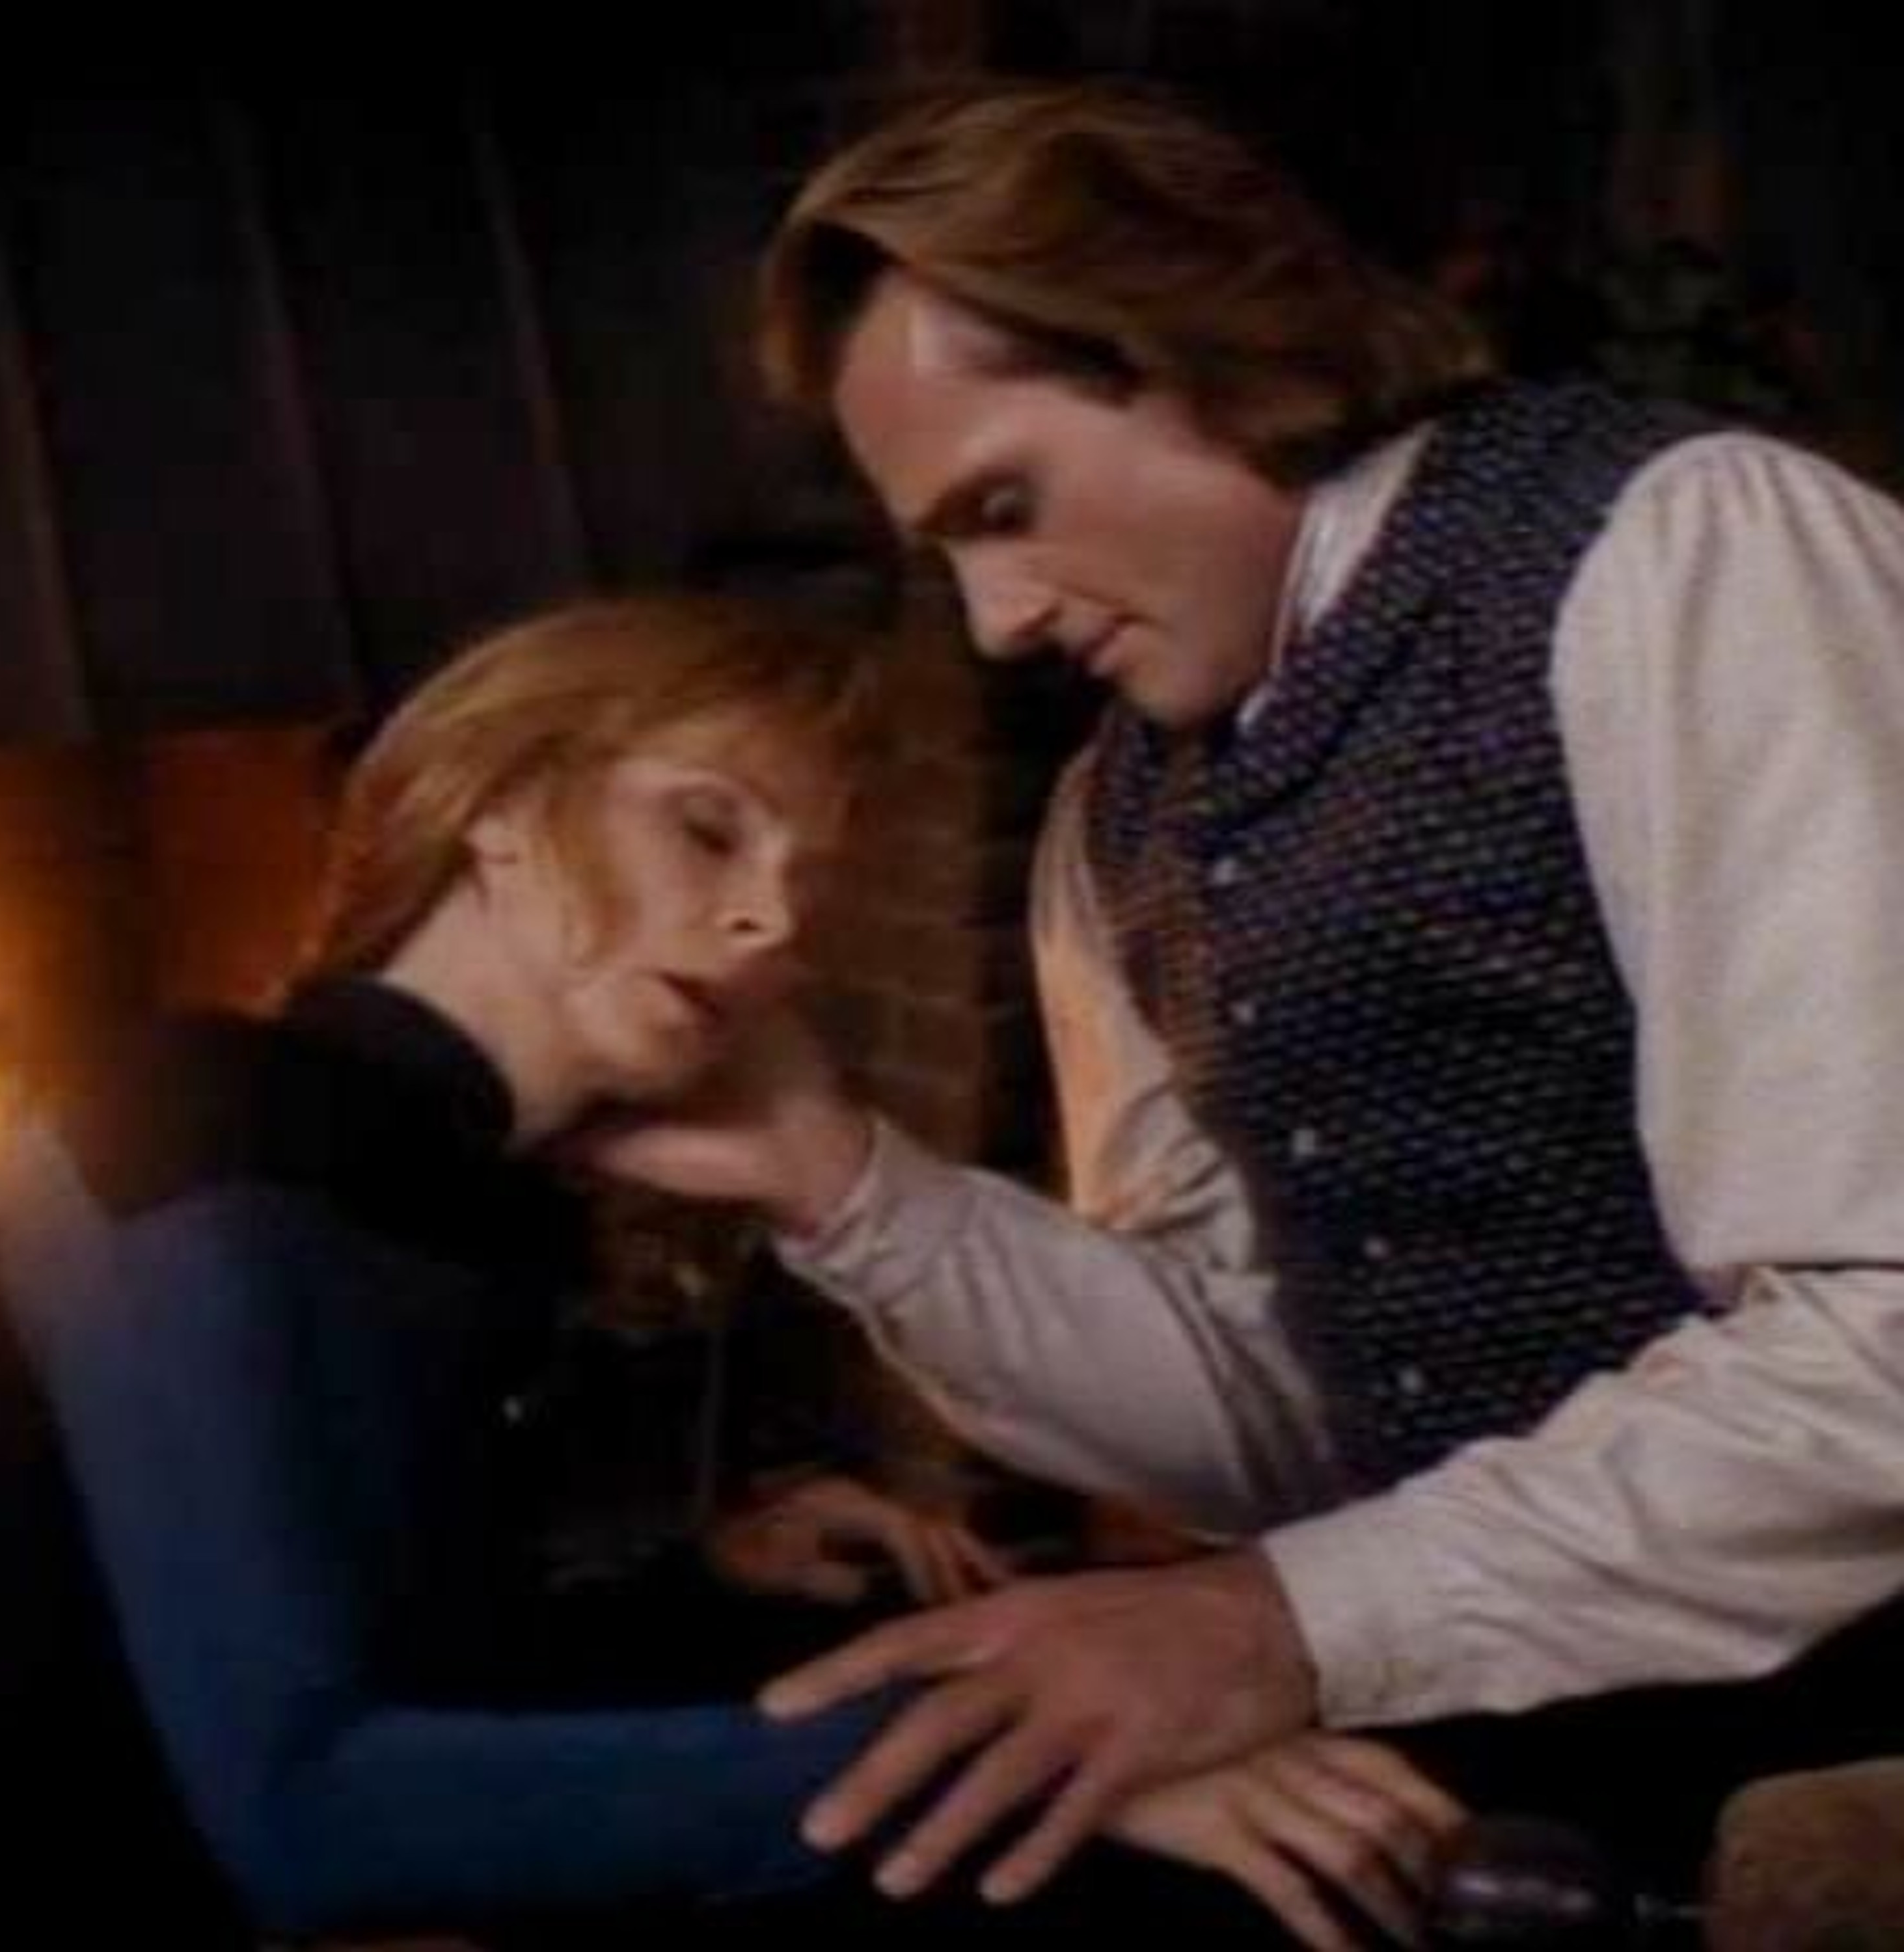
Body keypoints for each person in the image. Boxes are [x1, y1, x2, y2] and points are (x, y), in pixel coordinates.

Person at [587, 77, 1904, 1938]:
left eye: (1005, 508)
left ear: (1201, 353)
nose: (996, 620)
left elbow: (1888, 1331)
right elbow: (1280, 1416)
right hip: (1526, 1721)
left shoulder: (1683, 553)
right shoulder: (1114, 820)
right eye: (944, 552)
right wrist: (838, 1181)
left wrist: (1272, 1622)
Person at [0, 592, 1022, 1945]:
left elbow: (401, 1650)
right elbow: (307, 1808)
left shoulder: (481, 1199)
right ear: (501, 802)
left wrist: (710, 1576)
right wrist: (1006, 1754)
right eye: (707, 830)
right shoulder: (199, 1124)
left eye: (808, 890)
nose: (770, 925)